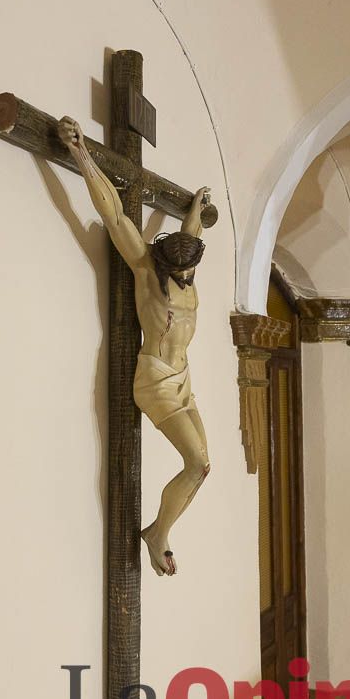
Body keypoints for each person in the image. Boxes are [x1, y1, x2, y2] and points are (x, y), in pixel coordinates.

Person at [58, 116, 212, 577]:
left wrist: (195, 208)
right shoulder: (146, 268)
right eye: (180, 272)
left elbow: (191, 237)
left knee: (203, 467)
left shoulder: (184, 263)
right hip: (156, 381)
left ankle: (158, 531)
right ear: (163, 263)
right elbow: (114, 214)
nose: (186, 278)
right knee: (196, 463)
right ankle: (157, 535)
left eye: (190, 272)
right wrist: (81, 152)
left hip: (183, 378)